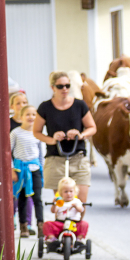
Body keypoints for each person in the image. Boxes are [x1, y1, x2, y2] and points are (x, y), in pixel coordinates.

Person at [34, 71, 96, 203]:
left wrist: (80, 135)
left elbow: (92, 127)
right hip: (56, 158)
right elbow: (37, 132)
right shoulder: (45, 107)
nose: (65, 89)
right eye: (60, 86)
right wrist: (52, 140)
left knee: (80, 202)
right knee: (61, 202)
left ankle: (77, 217)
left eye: (67, 86)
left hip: (78, 157)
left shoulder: (79, 105)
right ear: (52, 87)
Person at [11, 105, 44, 237]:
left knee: (37, 198)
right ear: (21, 117)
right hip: (20, 170)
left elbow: (41, 154)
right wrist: (12, 169)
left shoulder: (38, 134)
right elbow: (8, 151)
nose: (31, 117)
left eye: (33, 114)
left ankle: (40, 225)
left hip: (35, 169)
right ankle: (23, 226)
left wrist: (42, 169)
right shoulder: (15, 133)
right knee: (22, 198)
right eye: (28, 114)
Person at [43, 177, 88, 243]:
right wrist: (54, 204)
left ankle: (79, 239)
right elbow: (53, 211)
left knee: (84, 224)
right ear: (61, 193)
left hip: (74, 224)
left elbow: (81, 210)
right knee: (47, 224)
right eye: (66, 192)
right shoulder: (60, 202)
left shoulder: (76, 201)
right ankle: (52, 238)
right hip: (61, 223)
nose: (68, 194)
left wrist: (76, 206)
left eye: (71, 191)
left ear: (75, 192)